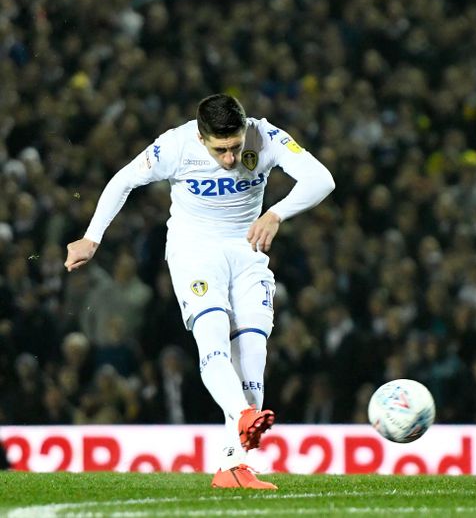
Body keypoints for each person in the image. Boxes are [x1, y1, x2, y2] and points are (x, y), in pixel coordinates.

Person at [64, 94, 335, 489]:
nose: (230, 158)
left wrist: (276, 213)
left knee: (253, 354)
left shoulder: (265, 136)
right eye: (220, 150)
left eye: (235, 147)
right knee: (213, 338)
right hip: (195, 252)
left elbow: (322, 179)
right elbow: (123, 180)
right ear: (201, 137)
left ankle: (233, 467)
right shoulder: (175, 145)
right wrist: (92, 238)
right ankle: (242, 417)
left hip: (248, 252)